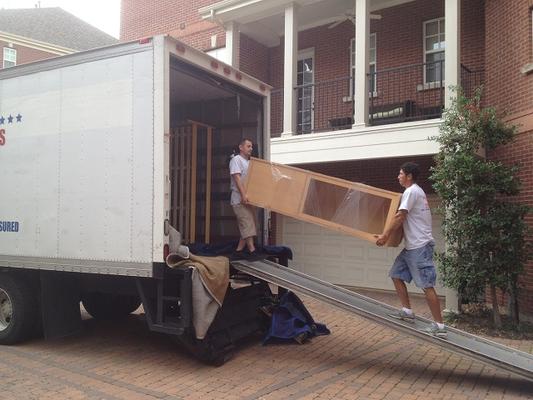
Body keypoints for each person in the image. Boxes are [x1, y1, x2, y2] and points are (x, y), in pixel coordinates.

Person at [375, 162, 446, 338]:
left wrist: (385, 236)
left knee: (426, 285)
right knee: (396, 274)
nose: (398, 177)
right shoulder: (416, 192)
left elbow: (400, 216)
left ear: (409, 176)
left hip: (420, 247)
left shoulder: (411, 191)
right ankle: (407, 311)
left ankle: (439, 327)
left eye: (400, 174)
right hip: (412, 247)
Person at [229, 138, 259, 259]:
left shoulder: (249, 162)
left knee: (248, 224)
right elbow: (237, 178)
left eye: (251, 146)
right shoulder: (236, 160)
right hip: (239, 199)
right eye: (248, 146)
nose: (251, 148)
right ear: (241, 147)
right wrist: (243, 195)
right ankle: (252, 251)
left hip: (247, 199)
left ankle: (238, 251)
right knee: (247, 223)